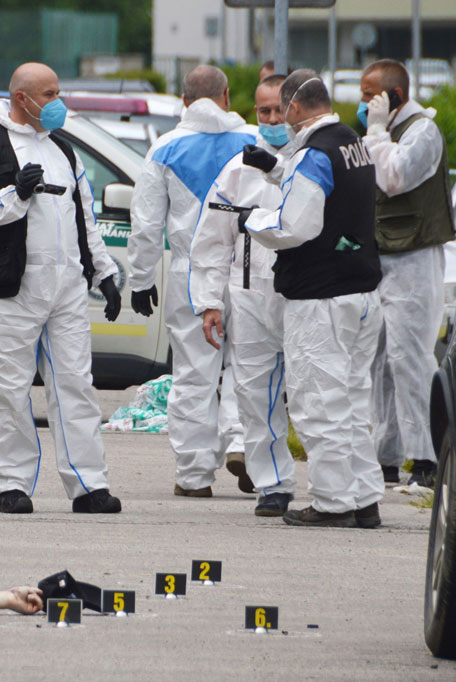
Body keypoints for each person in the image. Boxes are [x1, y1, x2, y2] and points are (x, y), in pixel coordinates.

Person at [0, 62, 123, 515]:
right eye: (49, 94)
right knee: (8, 389)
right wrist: (16, 194)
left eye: (58, 91)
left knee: (75, 386)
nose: (58, 102)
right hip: (11, 291)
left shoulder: (64, 152)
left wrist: (104, 273)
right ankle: (11, 484)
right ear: (21, 99)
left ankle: (89, 485)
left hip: (65, 290)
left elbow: (85, 218)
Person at [239, 70, 384, 528]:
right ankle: (363, 500)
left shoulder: (313, 153)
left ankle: (332, 502)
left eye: (282, 110)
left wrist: (251, 219)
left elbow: (295, 226)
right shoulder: (350, 142)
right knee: (352, 400)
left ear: (295, 108)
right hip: (360, 293)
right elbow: (328, 191)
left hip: (321, 298)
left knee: (319, 400)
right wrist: (275, 167)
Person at [127, 65, 250, 498]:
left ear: (183, 100)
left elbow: (144, 224)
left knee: (194, 374)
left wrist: (140, 280)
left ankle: (195, 476)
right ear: (226, 96)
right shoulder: (253, 142)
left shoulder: (164, 149)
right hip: (247, 271)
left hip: (190, 275)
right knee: (248, 366)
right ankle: (243, 444)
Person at [189, 74, 298, 517]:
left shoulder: (317, 161)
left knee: (314, 395)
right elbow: (213, 240)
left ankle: (340, 490)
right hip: (250, 295)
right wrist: (210, 302)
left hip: (306, 296)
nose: (272, 120)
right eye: (263, 111)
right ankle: (273, 484)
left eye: (279, 110)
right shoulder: (238, 170)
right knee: (254, 394)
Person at [359, 60, 455, 488]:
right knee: (379, 360)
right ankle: (387, 454)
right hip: (381, 258)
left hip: (414, 258)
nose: (364, 104)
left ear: (394, 95)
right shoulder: (380, 131)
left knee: (410, 357)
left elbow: (394, 176)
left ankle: (426, 456)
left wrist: (377, 133)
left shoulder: (422, 132)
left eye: (369, 95)